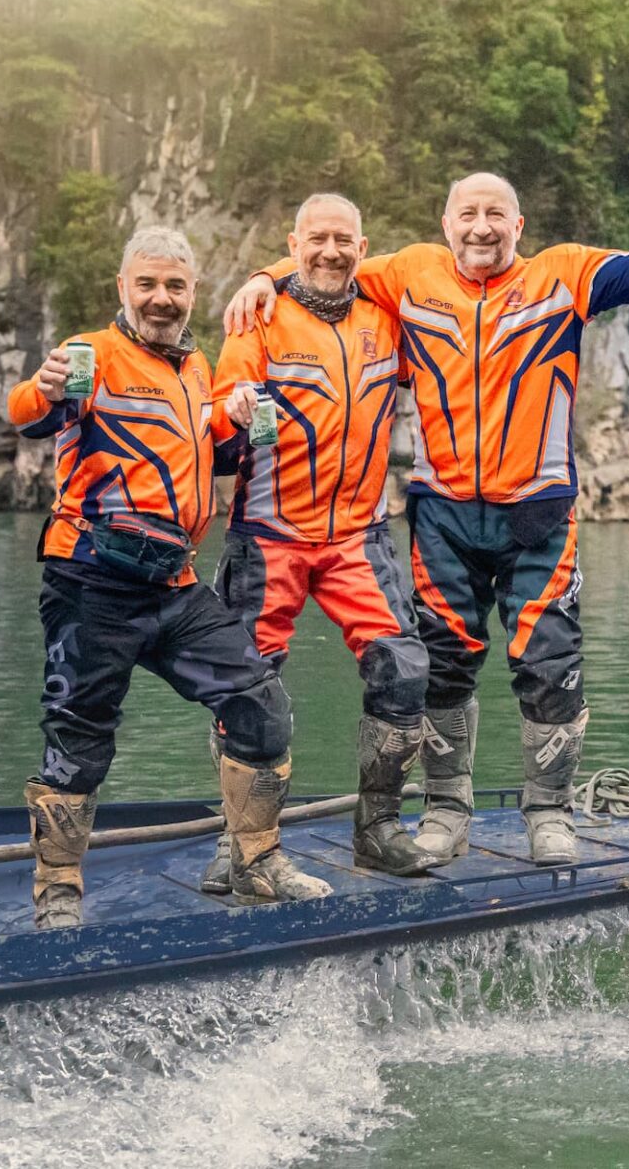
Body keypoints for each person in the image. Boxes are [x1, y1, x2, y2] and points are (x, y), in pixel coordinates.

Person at [225, 170, 629, 868]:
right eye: (467, 213)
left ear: (518, 226)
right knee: (441, 665)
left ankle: (549, 811)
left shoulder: (562, 276)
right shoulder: (409, 274)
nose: (481, 227)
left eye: (496, 213)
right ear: (447, 224)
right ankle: (445, 809)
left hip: (538, 512)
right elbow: (328, 262)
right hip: (442, 516)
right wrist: (267, 275)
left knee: (549, 662)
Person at [6, 227, 317, 929]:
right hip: (91, 581)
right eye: (146, 284)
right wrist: (43, 385)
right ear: (123, 288)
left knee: (261, 704)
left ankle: (255, 860)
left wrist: (232, 421)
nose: (160, 298)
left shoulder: (196, 367)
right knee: (78, 736)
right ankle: (58, 891)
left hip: (175, 585)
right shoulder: (90, 353)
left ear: (192, 294)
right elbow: (31, 410)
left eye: (174, 286)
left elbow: (211, 452)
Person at [201, 193, 434, 889]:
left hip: (357, 536)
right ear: (293, 241)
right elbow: (216, 415)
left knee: (405, 667)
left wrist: (267, 270)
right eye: (315, 239)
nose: (329, 251)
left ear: (363, 247)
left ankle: (379, 830)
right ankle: (241, 843)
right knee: (245, 685)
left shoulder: (387, 315)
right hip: (269, 533)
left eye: (343, 240)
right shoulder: (260, 314)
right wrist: (233, 410)